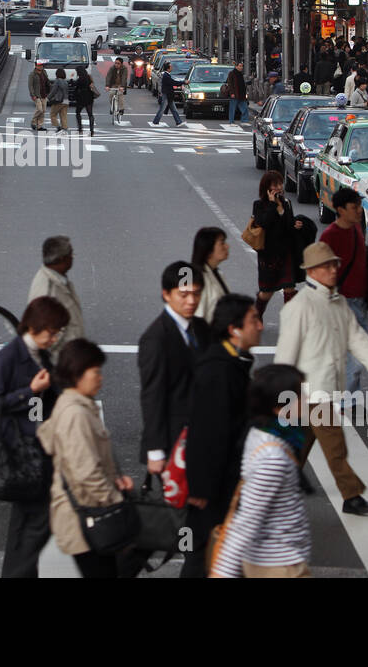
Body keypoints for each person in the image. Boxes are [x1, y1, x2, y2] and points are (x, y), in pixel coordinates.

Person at [274, 242, 368, 516]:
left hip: (326, 389)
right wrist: (285, 395)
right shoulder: (300, 306)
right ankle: (351, 495)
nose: (334, 269)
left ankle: (278, 485)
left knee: (302, 440)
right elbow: (286, 354)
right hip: (310, 391)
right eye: (327, 265)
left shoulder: (337, 302)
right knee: (335, 445)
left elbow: (354, 336)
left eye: (334, 264)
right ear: (311, 271)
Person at [0, 297, 69, 578]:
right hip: (19, 449)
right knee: (37, 519)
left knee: (27, 520)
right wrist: (30, 391)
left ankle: (19, 573)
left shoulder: (39, 354)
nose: (54, 338)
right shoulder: (7, 358)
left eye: (58, 333)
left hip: (37, 446)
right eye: (51, 332)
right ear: (34, 326)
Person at [37, 339, 134, 578]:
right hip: (88, 519)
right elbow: (86, 474)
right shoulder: (76, 415)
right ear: (77, 374)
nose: (100, 377)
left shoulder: (74, 406)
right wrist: (115, 502)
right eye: (95, 372)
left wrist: (115, 478)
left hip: (85, 517)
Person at [182, 294, 262, 577]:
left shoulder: (232, 363)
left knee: (208, 553)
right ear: (234, 328)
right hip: (214, 489)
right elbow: (207, 434)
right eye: (254, 320)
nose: (261, 326)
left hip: (223, 484)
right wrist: (201, 489)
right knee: (202, 553)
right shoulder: (219, 370)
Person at [209, 363, 310, 578]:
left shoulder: (261, 434)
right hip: (279, 566)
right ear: (278, 407)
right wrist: (221, 573)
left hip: (275, 561)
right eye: (300, 394)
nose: (307, 400)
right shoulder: (273, 458)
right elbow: (246, 521)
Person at [138, 260, 211, 474]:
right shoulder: (156, 339)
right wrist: (155, 451)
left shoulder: (201, 328)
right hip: (173, 439)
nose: (191, 301)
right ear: (166, 294)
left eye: (196, 294)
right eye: (184, 294)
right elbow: (152, 395)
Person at [320, 186, 368, 395]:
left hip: (360, 300)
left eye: (359, 206)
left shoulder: (357, 228)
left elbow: (359, 251)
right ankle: (343, 400)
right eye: (354, 207)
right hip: (342, 303)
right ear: (340, 209)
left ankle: (351, 397)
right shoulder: (330, 236)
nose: (359, 211)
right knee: (354, 357)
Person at [251, 171, 303, 321]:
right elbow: (263, 223)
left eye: (280, 184)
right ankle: (256, 315)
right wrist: (273, 204)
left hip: (286, 252)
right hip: (268, 255)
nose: (279, 187)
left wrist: (296, 225)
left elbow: (288, 226)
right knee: (266, 291)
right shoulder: (259, 205)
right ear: (267, 187)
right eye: (275, 185)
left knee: (289, 287)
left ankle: (291, 320)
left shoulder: (287, 203)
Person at [26, 236, 84, 354]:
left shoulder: (57, 279)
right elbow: (42, 337)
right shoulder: (48, 292)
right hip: (62, 362)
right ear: (63, 258)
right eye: (71, 254)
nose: (73, 258)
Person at [191, 226, 231, 324]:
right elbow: (196, 319)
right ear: (208, 250)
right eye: (222, 243)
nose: (227, 246)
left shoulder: (217, 273)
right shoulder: (198, 280)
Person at [151, 62, 184, 127]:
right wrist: (183, 82)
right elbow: (173, 82)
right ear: (168, 68)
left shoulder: (167, 75)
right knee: (162, 109)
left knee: (174, 109)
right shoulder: (166, 76)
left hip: (169, 95)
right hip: (166, 94)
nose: (172, 68)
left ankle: (178, 122)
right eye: (171, 67)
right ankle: (155, 121)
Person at [71, 65, 96, 136]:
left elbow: (75, 85)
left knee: (78, 112)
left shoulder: (80, 79)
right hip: (89, 96)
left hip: (81, 97)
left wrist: (71, 78)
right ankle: (92, 131)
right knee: (90, 114)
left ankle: (80, 129)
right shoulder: (88, 77)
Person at [28, 62, 51, 132]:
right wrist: (32, 95)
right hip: (37, 95)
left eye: (41, 65)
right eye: (39, 65)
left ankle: (39, 126)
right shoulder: (32, 74)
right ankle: (33, 121)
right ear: (36, 66)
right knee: (40, 109)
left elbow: (47, 82)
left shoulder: (44, 73)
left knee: (43, 111)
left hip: (44, 94)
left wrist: (50, 89)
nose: (41, 67)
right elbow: (30, 85)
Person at [106, 57, 128, 124]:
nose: (116, 65)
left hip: (121, 85)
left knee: (120, 94)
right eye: (115, 63)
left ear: (121, 64)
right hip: (113, 84)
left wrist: (122, 86)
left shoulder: (124, 69)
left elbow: (124, 78)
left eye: (118, 63)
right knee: (111, 94)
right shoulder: (112, 68)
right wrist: (107, 85)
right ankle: (112, 107)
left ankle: (121, 109)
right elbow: (108, 76)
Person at [47, 67, 69, 132]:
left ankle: (58, 126)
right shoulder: (65, 82)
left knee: (52, 114)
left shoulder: (57, 81)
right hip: (66, 100)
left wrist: (48, 98)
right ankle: (64, 127)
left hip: (58, 100)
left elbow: (53, 91)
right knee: (63, 115)